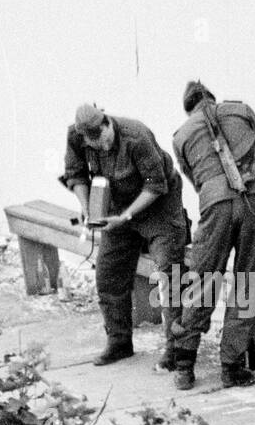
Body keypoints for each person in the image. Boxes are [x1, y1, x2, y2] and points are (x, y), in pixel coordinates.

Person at [59, 103, 189, 368]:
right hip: (117, 208)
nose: (103, 147)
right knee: (108, 275)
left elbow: (156, 184)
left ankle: (175, 350)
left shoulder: (136, 136)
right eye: (94, 144)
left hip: (159, 207)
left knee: (169, 274)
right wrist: (87, 208)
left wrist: (127, 216)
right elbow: (76, 174)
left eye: (104, 139)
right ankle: (119, 343)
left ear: (107, 123)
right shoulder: (75, 137)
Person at [170, 81, 255, 390]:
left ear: (188, 108)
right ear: (213, 98)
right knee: (247, 281)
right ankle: (231, 367)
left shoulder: (182, 136)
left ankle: (184, 367)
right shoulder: (242, 110)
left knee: (203, 279)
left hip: (215, 204)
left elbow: (198, 184)